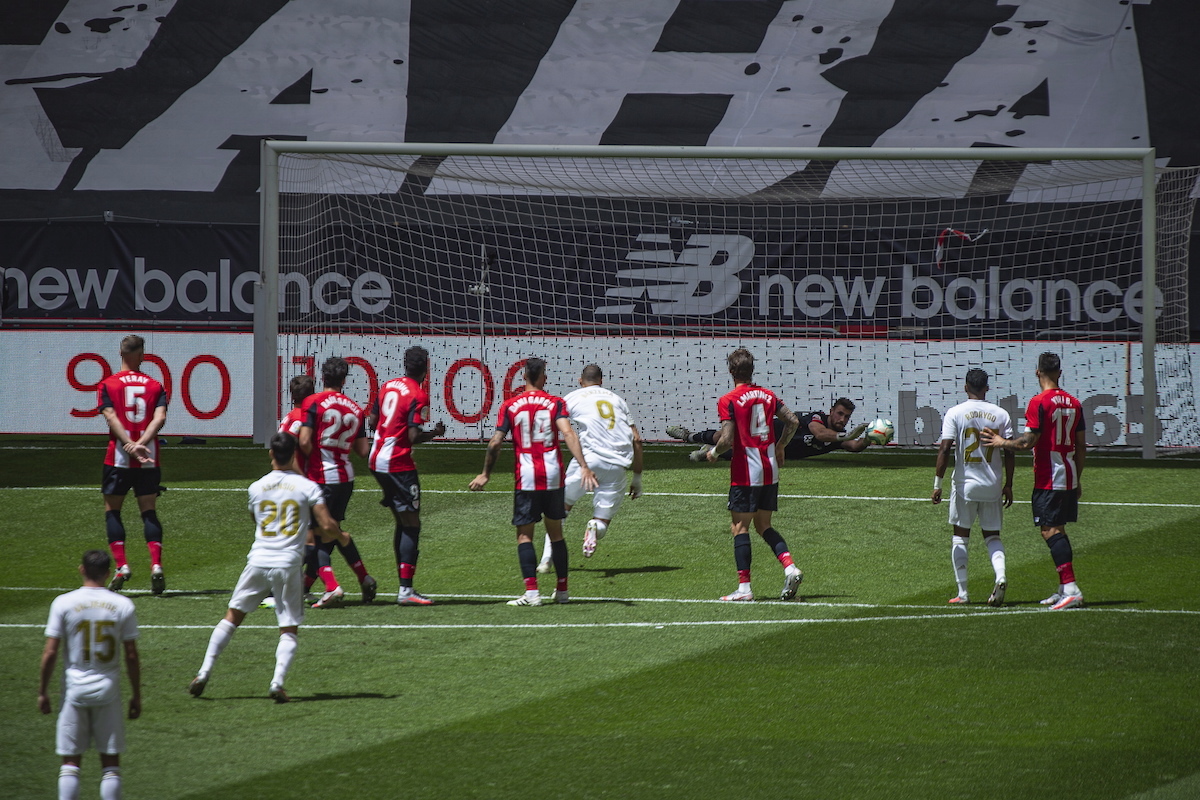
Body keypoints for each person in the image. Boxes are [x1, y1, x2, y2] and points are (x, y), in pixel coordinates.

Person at [189, 433, 342, 703]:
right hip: (288, 564)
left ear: (271, 453)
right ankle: (277, 682)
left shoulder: (256, 487)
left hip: (258, 560)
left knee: (232, 617)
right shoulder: (307, 487)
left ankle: (203, 672)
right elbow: (328, 526)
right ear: (294, 454)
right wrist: (341, 537)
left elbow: (256, 519)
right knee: (288, 627)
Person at [468, 358, 597, 606]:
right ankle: (562, 591)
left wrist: (485, 474)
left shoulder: (510, 406)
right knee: (556, 533)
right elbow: (568, 433)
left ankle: (532, 593)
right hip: (553, 475)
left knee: (525, 536)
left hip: (526, 477)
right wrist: (583, 466)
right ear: (543, 378)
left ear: (524, 377)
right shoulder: (555, 403)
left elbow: (496, 442)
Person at [982, 352, 1087, 610]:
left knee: (1049, 530)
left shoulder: (1039, 402)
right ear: (1059, 373)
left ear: (1037, 372)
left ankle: (1071, 588)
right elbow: (1081, 445)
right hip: (1068, 474)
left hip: (1049, 477)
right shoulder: (1075, 403)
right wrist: (1077, 477)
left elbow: (1027, 442)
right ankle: (1064, 589)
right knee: (1058, 529)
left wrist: (1001, 442)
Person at [38, 549, 141, 800]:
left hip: (74, 690)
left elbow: (50, 652)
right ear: (108, 573)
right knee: (110, 764)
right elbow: (131, 655)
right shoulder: (123, 605)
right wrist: (136, 695)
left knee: (70, 763)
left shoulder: (63, 603)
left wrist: (42, 691)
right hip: (108, 690)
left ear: (82, 569)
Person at [703, 348, 803, 602]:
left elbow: (726, 439)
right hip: (770, 468)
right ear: (752, 370)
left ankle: (744, 588)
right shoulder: (768, 395)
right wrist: (780, 446)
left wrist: (713, 453)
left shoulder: (728, 399)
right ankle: (790, 567)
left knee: (739, 527)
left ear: (731, 371)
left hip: (747, 471)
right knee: (763, 525)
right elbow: (793, 421)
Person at [536, 363, 643, 570]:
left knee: (559, 510)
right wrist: (637, 478)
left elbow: (554, 426)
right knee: (602, 520)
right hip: (617, 465)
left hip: (587, 461)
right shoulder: (617, 400)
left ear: (580, 381)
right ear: (601, 381)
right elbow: (637, 440)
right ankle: (594, 526)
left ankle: (546, 560)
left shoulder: (572, 397)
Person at [367, 346, 446, 606]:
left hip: (376, 460)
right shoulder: (418, 395)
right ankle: (406, 590)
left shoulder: (387, 386)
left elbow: (372, 421)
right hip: (397, 464)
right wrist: (434, 433)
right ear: (426, 368)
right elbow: (412, 436)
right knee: (411, 524)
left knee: (402, 522)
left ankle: (404, 586)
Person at [298, 357, 377, 608]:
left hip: (321, 477)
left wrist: (308, 462)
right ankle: (362, 577)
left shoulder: (313, 402)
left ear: (323, 377)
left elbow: (304, 441)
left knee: (314, 535)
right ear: (344, 380)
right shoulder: (355, 409)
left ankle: (332, 587)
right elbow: (363, 451)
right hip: (345, 478)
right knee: (328, 533)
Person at [932, 369, 1015, 606]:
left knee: (960, 537)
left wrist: (937, 484)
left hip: (965, 486)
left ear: (965, 387)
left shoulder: (955, 412)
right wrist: (1009, 484)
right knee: (992, 536)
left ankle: (963, 593)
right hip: (992, 485)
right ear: (987, 388)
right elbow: (1010, 451)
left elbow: (945, 449)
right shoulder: (1001, 414)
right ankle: (1000, 576)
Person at [97, 334, 169, 595]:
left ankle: (122, 566)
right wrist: (142, 443)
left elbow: (110, 416)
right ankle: (156, 565)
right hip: (148, 459)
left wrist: (129, 444)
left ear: (120, 354)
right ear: (142, 355)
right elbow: (160, 418)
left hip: (118, 458)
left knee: (112, 512)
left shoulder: (107, 384)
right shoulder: (155, 386)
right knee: (148, 512)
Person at [668, 397, 874, 461]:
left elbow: (855, 446)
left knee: (741, 456)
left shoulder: (838, 438)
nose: (842, 419)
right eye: (839, 414)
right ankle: (689, 436)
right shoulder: (817, 418)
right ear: (831, 411)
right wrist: (846, 434)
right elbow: (819, 433)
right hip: (769, 430)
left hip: (775, 451)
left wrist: (871, 437)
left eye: (846, 417)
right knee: (727, 436)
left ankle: (708, 452)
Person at [278, 375, 321, 600]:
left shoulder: (290, 416)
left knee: (312, 539)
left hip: (287, 484)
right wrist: (304, 480)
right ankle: (277, 590)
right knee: (310, 541)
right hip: (295, 486)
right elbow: (287, 455)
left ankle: (300, 588)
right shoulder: (301, 418)